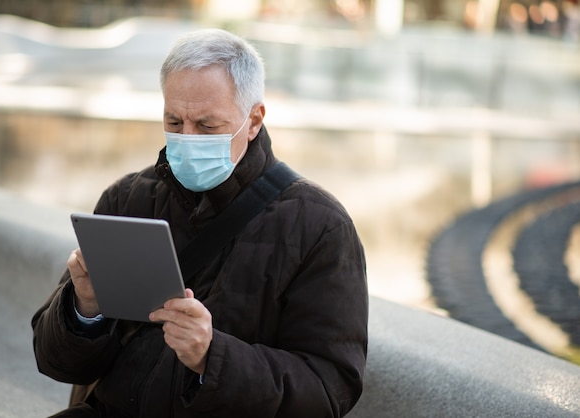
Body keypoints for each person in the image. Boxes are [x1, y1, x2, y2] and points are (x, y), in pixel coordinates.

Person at [32, 28, 368, 418]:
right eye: (174, 123)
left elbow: (329, 393)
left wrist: (212, 358)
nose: (188, 139)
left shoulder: (320, 227)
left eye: (207, 126)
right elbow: (55, 362)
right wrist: (82, 310)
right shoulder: (127, 199)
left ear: (254, 120)